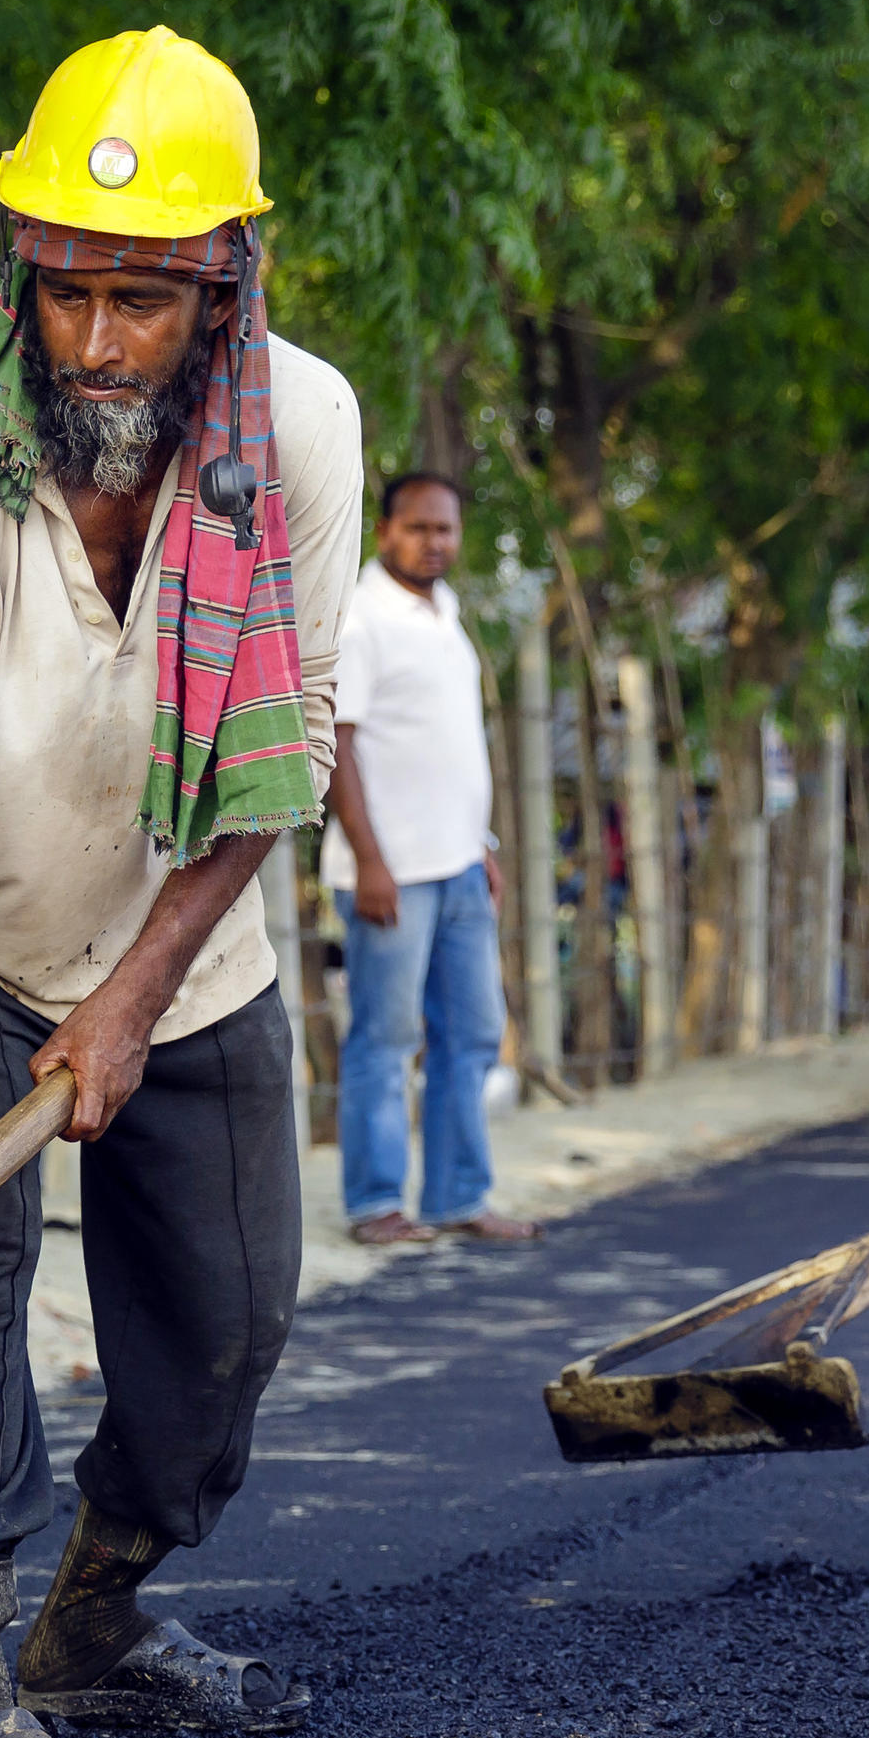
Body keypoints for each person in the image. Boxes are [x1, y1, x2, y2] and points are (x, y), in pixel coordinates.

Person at [0, 26, 359, 1738]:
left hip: (193, 945)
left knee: (228, 1327)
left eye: (145, 297)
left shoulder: (305, 426)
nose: (99, 342)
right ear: (21, 268)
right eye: (67, 294)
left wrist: (137, 996)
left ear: (223, 279)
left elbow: (288, 748)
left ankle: (94, 1614)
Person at [324, 470, 539, 1247]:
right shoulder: (360, 615)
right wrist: (369, 859)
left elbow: (446, 747)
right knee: (385, 1039)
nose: (434, 542)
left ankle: (457, 1195)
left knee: (476, 1031)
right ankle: (377, 1203)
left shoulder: (445, 610)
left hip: (457, 867)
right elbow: (337, 742)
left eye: (446, 529)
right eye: (418, 528)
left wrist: (481, 846)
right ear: (384, 531)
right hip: (391, 876)